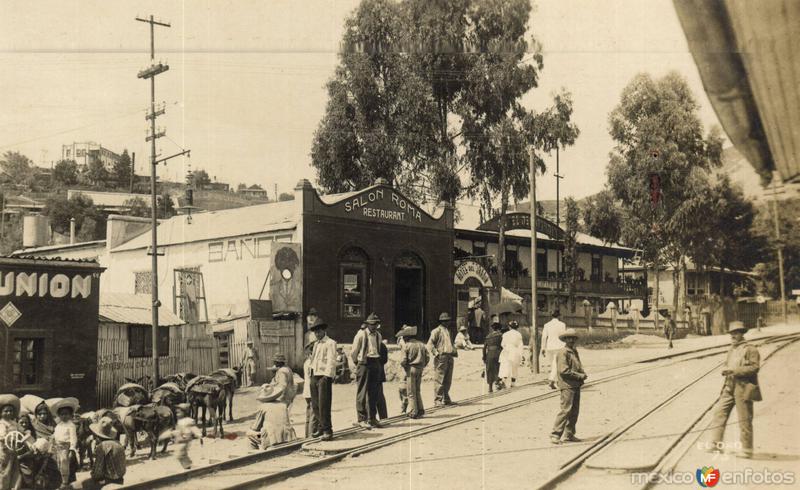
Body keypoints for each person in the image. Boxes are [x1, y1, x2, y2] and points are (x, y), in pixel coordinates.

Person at [707, 321, 762, 458]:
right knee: (719, 413)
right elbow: (728, 364)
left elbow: (754, 368)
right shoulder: (732, 349)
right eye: (732, 333)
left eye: (736, 333)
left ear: (742, 334)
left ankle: (747, 450)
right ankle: (716, 445)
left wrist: (734, 370)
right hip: (729, 386)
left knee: (744, 419)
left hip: (743, 387)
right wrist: (726, 370)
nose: (733, 336)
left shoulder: (750, 349)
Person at [248, 354, 297, 449]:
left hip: (282, 398)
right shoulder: (287, 369)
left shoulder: (282, 372)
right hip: (285, 401)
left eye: (275, 361)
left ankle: (258, 447)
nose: (274, 363)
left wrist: (275, 395)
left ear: (278, 362)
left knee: (251, 433)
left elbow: (282, 386)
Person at [551, 329, 587, 445]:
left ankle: (569, 434)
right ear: (565, 340)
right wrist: (580, 375)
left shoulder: (574, 351)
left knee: (574, 411)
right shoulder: (563, 352)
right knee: (566, 410)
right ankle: (555, 434)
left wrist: (582, 373)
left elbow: (577, 365)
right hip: (567, 385)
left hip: (575, 384)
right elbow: (563, 371)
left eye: (573, 338)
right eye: (568, 338)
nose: (571, 340)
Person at [350, 312, 384, 428]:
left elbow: (378, 349)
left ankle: (372, 418)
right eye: (372, 324)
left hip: (375, 363)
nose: (374, 326)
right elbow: (354, 352)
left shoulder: (379, 335)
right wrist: (359, 363)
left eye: (376, 324)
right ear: (368, 324)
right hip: (364, 364)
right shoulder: (361, 334)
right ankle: (361, 418)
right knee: (362, 392)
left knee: (374, 392)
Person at [309, 317, 336, 441]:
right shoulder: (316, 344)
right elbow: (313, 359)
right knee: (315, 404)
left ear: (323, 331)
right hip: (314, 375)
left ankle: (327, 430)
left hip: (324, 377)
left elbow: (331, 360)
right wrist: (311, 373)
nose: (317, 334)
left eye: (319, 331)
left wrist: (327, 376)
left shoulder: (330, 343)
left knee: (324, 404)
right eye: (315, 332)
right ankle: (320, 427)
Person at [85, 416, 127, 489]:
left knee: (83, 485)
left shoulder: (102, 446)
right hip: (120, 476)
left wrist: (92, 475)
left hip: (110, 479)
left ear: (98, 436)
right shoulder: (118, 443)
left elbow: (97, 472)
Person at [398, 325, 429, 419]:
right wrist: (423, 365)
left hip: (411, 368)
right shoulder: (422, 344)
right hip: (420, 368)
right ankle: (420, 409)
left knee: (411, 392)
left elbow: (403, 360)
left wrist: (405, 366)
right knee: (418, 390)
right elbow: (427, 357)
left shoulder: (407, 346)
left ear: (407, 337)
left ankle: (413, 411)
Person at [159, 403, 202, 469]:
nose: (177, 414)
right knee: (181, 455)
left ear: (184, 413)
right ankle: (188, 467)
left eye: (179, 413)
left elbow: (194, 428)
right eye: (176, 413)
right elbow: (174, 431)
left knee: (179, 454)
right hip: (179, 440)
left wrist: (199, 434)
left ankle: (189, 466)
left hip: (185, 440)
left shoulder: (188, 421)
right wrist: (163, 436)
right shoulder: (179, 421)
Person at [49, 397, 79, 489]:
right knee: (58, 464)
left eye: (66, 414)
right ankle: (60, 481)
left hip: (66, 447)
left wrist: (72, 449)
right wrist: (52, 438)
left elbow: (73, 438)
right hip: (58, 447)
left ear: (70, 415)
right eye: (62, 414)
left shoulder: (71, 425)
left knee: (64, 463)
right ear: (59, 415)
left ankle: (65, 482)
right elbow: (56, 434)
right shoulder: (59, 425)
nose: (64, 416)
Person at [428, 312, 457, 407]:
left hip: (449, 356)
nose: (447, 322)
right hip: (442, 357)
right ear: (442, 322)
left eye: (448, 320)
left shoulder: (448, 331)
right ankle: (438, 400)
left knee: (448, 379)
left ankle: (446, 398)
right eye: (446, 321)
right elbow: (430, 344)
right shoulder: (436, 331)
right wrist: (436, 354)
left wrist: (453, 351)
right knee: (439, 379)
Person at [0, 394, 25, 490]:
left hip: (15, 449)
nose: (8, 413)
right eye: (6, 411)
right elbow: (2, 436)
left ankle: (13, 487)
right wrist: (7, 438)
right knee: (5, 469)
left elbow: (21, 430)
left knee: (15, 468)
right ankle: (3, 487)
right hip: (4, 449)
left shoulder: (14, 423)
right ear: (1, 412)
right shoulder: (1, 423)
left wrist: (25, 432)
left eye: (10, 411)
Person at [541, 309, 567, 389]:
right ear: (559, 316)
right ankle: (552, 380)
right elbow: (564, 336)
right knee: (557, 364)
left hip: (550, 347)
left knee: (553, 364)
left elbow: (544, 337)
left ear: (551, 316)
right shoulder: (562, 325)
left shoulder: (547, 325)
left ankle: (555, 381)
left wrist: (543, 348)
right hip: (560, 346)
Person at [499, 320, 524, 388]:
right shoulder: (518, 334)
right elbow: (520, 345)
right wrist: (521, 355)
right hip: (514, 351)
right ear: (517, 327)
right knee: (514, 367)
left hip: (506, 350)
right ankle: (513, 382)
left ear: (509, 327)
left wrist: (506, 348)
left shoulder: (505, 334)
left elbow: (502, 344)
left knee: (505, 366)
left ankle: (503, 380)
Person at [302, 340, 318, 438]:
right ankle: (311, 435)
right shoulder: (312, 362)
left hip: (306, 390)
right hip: (311, 390)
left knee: (308, 413)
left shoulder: (306, 362)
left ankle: (307, 435)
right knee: (313, 414)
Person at [482, 319, 504, 392]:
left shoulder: (488, 336)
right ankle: (497, 384)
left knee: (490, 370)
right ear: (498, 329)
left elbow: (484, 347)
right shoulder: (500, 335)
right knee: (498, 368)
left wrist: (484, 357)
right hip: (498, 353)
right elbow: (503, 345)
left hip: (489, 354)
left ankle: (490, 387)